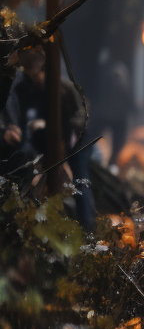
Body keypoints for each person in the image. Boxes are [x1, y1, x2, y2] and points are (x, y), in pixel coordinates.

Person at [4, 47, 94, 228]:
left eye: (36, 74)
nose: (34, 79)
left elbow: (81, 117)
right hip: (44, 144)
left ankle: (87, 225)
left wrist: (51, 126)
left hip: (75, 142)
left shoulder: (65, 89)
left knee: (79, 180)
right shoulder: (27, 91)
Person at [92, 61, 136, 164]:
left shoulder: (110, 76)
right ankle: (105, 163)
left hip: (113, 115)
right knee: (114, 145)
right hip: (109, 115)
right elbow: (128, 98)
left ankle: (111, 164)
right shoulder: (119, 75)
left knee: (117, 146)